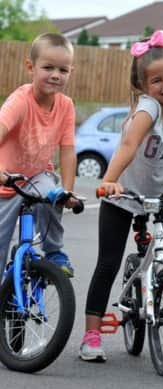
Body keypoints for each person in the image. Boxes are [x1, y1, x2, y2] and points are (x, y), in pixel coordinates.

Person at [79, 30, 163, 362]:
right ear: (143, 87)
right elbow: (127, 147)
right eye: (157, 80)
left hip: (158, 188)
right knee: (108, 262)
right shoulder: (148, 108)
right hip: (124, 190)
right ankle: (92, 334)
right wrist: (109, 181)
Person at [0, 33, 80, 277]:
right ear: (30, 68)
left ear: (70, 72)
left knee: (52, 191)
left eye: (63, 70)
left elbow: (67, 150)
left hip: (36, 177)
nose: (56, 74)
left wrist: (68, 190)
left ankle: (53, 250)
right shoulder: (20, 101)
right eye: (48, 67)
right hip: (5, 185)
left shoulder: (66, 105)